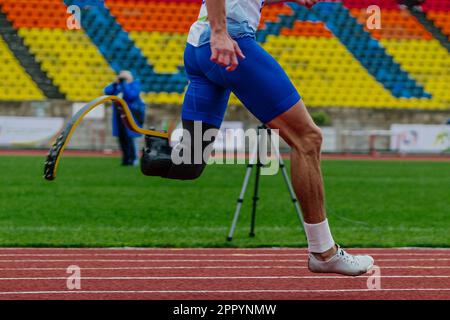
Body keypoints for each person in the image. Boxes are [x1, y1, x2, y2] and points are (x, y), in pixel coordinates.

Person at [141, 0, 374, 276]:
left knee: (188, 165)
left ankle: (151, 151)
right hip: (228, 40)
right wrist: (219, 32)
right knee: (307, 139)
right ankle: (323, 252)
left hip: (198, 48)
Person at [104, 70, 145, 166]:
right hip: (119, 115)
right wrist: (115, 83)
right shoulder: (119, 86)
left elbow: (131, 96)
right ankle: (126, 160)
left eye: (124, 77)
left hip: (131, 115)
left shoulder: (135, 84)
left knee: (131, 137)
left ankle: (133, 159)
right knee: (122, 138)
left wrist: (125, 83)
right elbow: (107, 91)